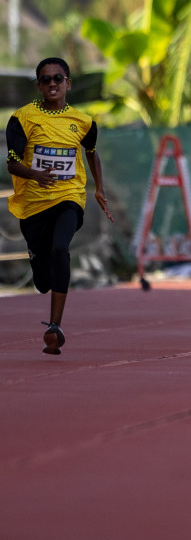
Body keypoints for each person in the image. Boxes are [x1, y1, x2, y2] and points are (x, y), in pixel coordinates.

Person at [6, 58, 113, 354]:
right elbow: (12, 163)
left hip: (69, 196)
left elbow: (91, 153)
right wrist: (35, 174)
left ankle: (55, 325)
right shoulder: (22, 118)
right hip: (33, 204)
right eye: (46, 79)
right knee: (42, 280)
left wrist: (99, 189)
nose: (52, 84)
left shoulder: (83, 121)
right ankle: (35, 256)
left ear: (68, 83)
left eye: (58, 78)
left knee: (60, 249)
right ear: (39, 86)